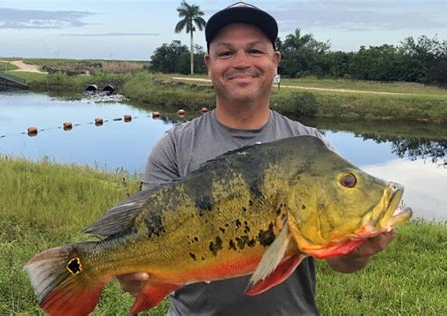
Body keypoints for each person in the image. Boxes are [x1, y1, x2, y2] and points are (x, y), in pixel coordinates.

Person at [118, 2, 396, 315]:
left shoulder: (312, 145)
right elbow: (142, 238)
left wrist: (359, 252)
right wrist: (133, 272)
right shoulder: (174, 146)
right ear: (209, 64)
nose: (241, 62)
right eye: (226, 53)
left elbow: (341, 262)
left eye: (255, 51)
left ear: (274, 61)